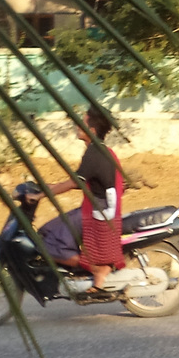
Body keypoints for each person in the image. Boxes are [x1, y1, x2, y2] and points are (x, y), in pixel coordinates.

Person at [35, 106, 125, 295]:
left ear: (91, 130)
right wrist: (49, 187)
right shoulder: (101, 150)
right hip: (103, 208)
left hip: (97, 212)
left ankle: (95, 269)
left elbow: (75, 182)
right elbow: (79, 181)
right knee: (54, 229)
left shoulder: (94, 153)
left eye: (81, 122)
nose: (77, 125)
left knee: (48, 242)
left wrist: (42, 194)